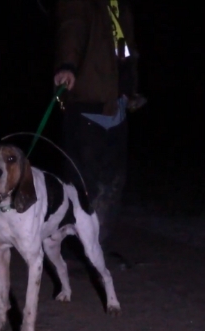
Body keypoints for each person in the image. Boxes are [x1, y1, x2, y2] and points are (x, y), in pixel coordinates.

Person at [53, 0, 145, 246]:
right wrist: (67, 65)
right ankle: (73, 246)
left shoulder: (120, 7)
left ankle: (97, 247)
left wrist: (131, 88)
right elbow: (72, 27)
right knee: (82, 183)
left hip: (117, 104)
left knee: (113, 182)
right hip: (87, 103)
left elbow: (126, 49)